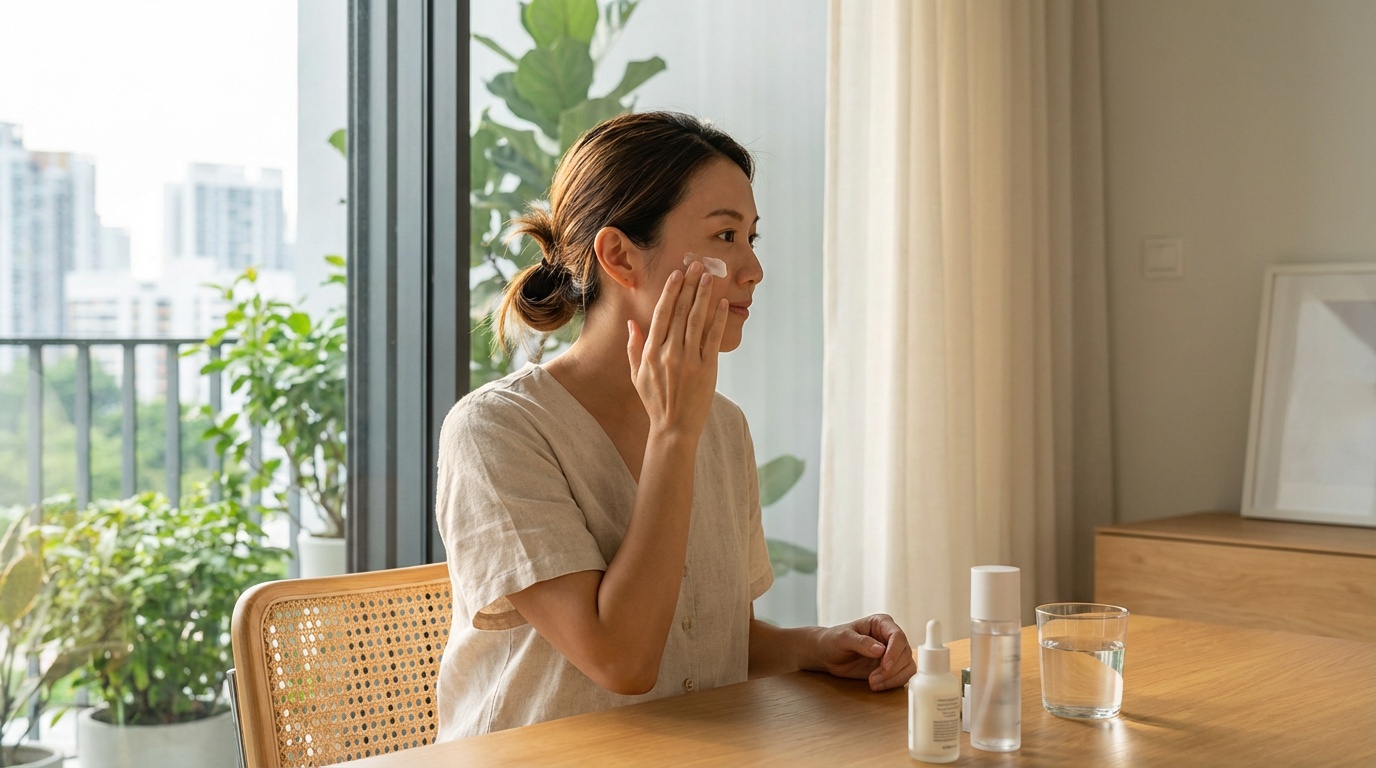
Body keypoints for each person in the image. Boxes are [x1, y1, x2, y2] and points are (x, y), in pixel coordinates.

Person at [435, 111, 914, 740]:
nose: (752, 270)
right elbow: (623, 660)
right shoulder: (495, 431)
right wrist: (673, 436)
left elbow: (704, 636)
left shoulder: (721, 425)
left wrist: (818, 645)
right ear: (620, 256)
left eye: (752, 238)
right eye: (723, 237)